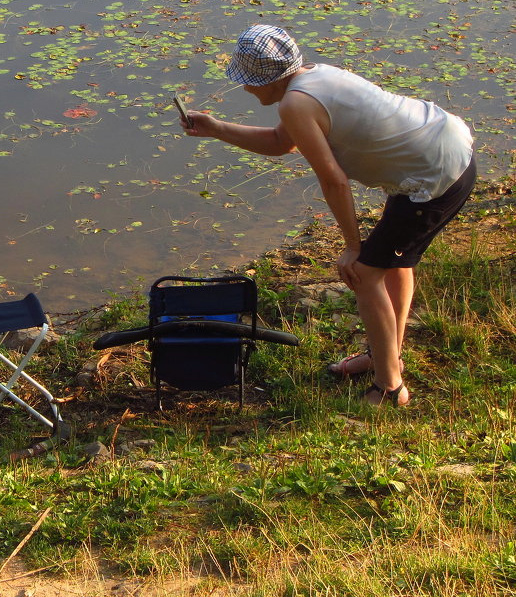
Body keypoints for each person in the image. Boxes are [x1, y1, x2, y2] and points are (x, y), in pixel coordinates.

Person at [181, 24, 476, 407]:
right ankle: (385, 355)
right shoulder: (314, 77)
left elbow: (334, 181)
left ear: (269, 77)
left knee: (366, 273)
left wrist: (353, 247)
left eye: (249, 80)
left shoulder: (295, 103)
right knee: (393, 264)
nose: (246, 88)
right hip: (438, 147)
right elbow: (279, 142)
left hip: (435, 175)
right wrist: (219, 129)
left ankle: (389, 387)